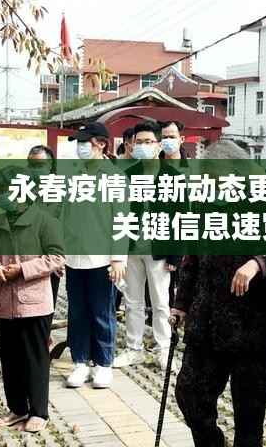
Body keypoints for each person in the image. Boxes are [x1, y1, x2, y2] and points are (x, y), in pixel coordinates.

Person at [172, 140, 266, 447]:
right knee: (189, 394)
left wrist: (257, 263)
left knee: (249, 415)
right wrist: (181, 303)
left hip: (253, 324)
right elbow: (191, 257)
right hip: (207, 320)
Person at [0, 165, 65, 433]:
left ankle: (39, 412)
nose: (3, 195)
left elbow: (57, 257)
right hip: (4, 302)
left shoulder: (45, 221)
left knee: (35, 358)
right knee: (10, 359)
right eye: (0, 190)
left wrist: (22, 269)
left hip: (34, 302)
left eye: (8, 190)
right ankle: (17, 409)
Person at [114, 121, 183, 371]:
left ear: (158, 145)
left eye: (148, 142)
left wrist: (175, 256)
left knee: (161, 301)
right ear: (131, 145)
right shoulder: (127, 175)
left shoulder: (172, 177)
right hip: (132, 247)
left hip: (159, 249)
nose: (143, 146)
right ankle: (134, 349)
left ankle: (163, 349)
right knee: (132, 301)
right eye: (139, 142)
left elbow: (182, 217)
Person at [64, 121, 128, 389]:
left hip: (102, 260)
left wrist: (118, 259)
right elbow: (64, 216)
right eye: (78, 143)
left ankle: (103, 363)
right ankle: (80, 362)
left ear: (101, 144)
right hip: (73, 258)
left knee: (102, 313)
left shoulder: (114, 177)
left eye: (85, 143)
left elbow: (121, 219)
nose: (80, 147)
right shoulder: (72, 175)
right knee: (77, 312)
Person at [27, 145, 62, 308]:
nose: (35, 169)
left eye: (39, 165)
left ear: (50, 165)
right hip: (24, 258)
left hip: (48, 259)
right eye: (31, 165)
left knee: (46, 307)